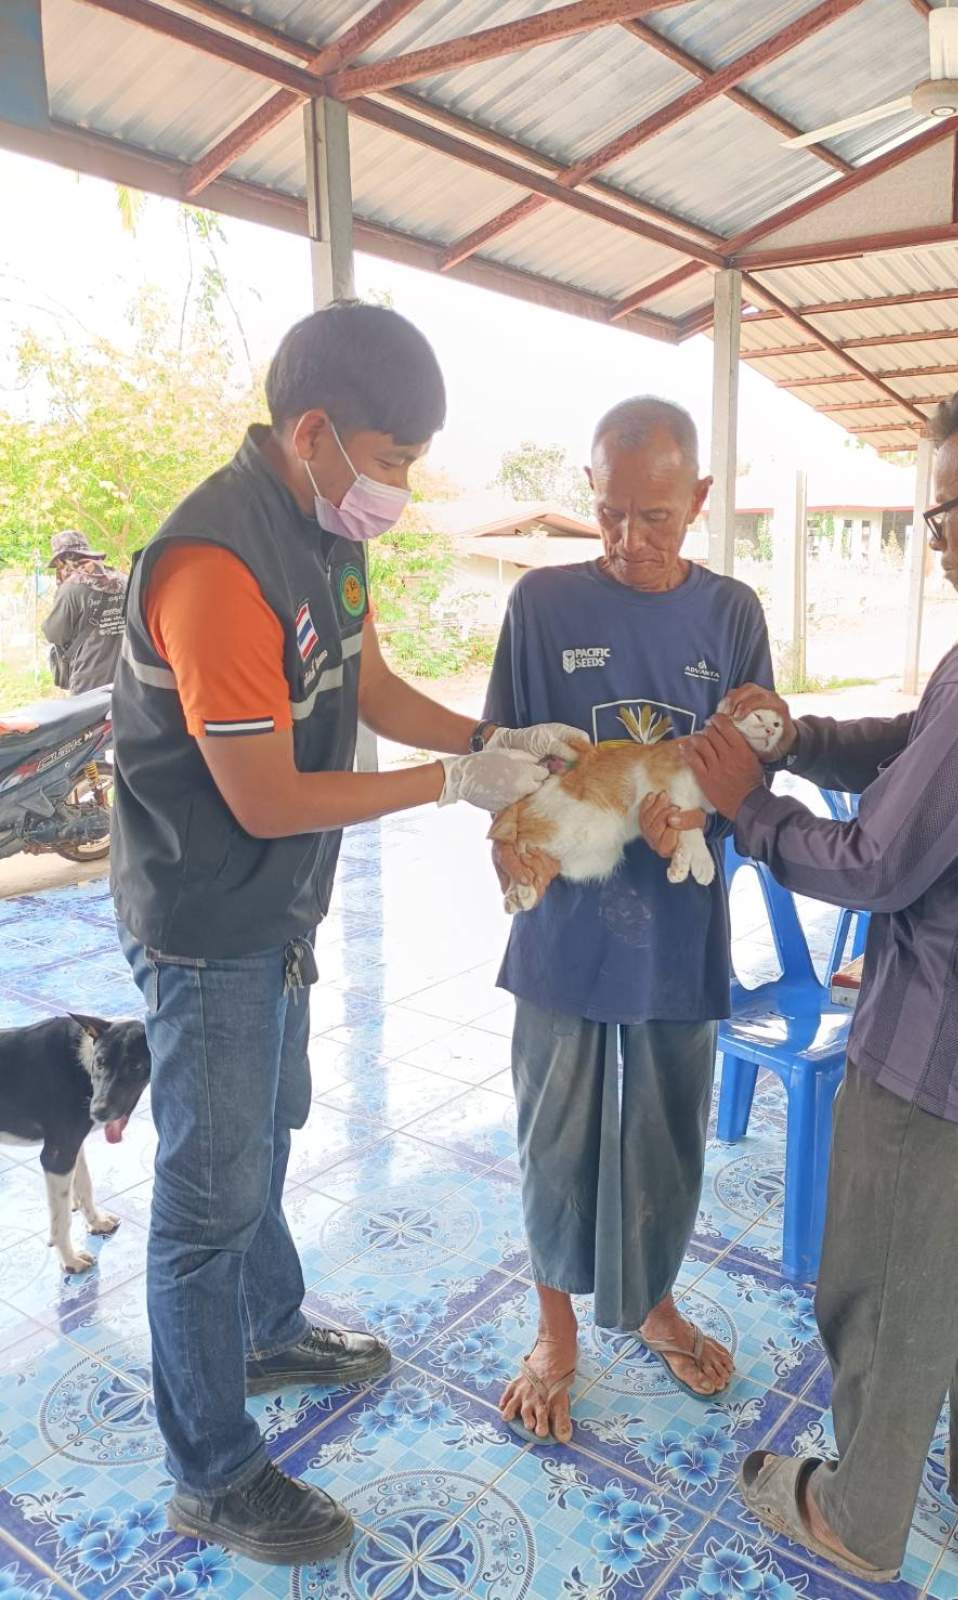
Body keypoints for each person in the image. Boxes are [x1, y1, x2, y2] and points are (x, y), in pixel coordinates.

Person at [111, 301, 582, 1568]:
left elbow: (363, 682)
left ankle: (265, 1330)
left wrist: (483, 738)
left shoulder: (328, 534)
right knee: (206, 1199)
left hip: (273, 908)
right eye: (391, 458)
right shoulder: (214, 566)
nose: (401, 487)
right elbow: (264, 796)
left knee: (266, 1128)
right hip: (207, 920)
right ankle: (211, 1471)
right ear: (313, 431)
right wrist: (450, 786)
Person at [683, 365, 958, 1591]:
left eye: (945, 511)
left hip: (952, 1062)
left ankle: (858, 1514)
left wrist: (752, 807)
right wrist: (802, 737)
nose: (935, 538)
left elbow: (878, 863)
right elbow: (931, 748)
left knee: (885, 1298)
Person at [484, 396, 774, 1446]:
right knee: (552, 1133)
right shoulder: (542, 603)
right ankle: (554, 1330)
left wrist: (698, 819)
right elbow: (501, 761)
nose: (628, 540)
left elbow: (752, 768)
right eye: (610, 514)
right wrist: (507, 842)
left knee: (664, 1134)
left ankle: (653, 1303)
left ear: (699, 499)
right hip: (564, 930)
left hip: (676, 935)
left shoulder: (731, 615)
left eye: (655, 517)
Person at [43, 528, 127, 692]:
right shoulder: (124, 580)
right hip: (128, 677)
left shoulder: (70, 589)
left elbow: (54, 634)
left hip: (89, 682)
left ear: (62, 561)